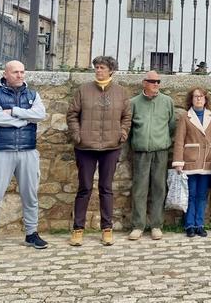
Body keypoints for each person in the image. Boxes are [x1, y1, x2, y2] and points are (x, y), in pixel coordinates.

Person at [0, 60, 48, 258]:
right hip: (1, 150)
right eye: (15, 72)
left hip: (28, 151)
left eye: (22, 72)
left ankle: (31, 234)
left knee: (30, 195)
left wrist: (15, 112)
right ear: (5, 74)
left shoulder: (33, 94)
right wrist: (26, 120)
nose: (20, 75)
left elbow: (41, 114)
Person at [67, 56, 132, 247]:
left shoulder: (121, 92)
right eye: (96, 67)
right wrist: (77, 135)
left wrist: (122, 133)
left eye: (102, 67)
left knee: (106, 188)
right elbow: (72, 114)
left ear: (111, 70)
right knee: (84, 188)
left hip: (111, 147)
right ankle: (78, 230)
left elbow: (127, 116)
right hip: (85, 146)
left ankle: (107, 229)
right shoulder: (83, 90)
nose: (98, 70)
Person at [127, 71, 176, 242]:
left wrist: (162, 140)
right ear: (144, 83)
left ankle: (156, 225)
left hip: (160, 150)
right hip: (141, 151)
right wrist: (137, 142)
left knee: (159, 188)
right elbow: (129, 127)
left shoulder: (167, 102)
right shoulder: (133, 103)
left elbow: (171, 125)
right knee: (139, 189)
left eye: (158, 81)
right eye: (152, 81)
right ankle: (138, 226)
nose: (156, 84)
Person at [172, 87, 211, 238]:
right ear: (191, 99)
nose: (198, 99)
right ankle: (189, 224)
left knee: (202, 195)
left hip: (206, 161)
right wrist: (178, 161)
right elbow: (179, 140)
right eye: (195, 97)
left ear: (206, 99)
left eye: (201, 97)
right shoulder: (186, 117)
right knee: (191, 194)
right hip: (190, 161)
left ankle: (200, 224)